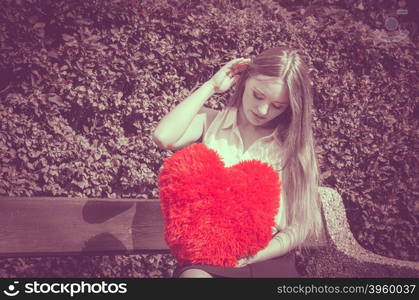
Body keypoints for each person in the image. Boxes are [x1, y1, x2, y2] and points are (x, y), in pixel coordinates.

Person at [153, 46, 325, 278]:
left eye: (278, 106)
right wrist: (211, 86)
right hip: (210, 255)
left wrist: (257, 255)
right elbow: (163, 136)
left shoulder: (293, 147)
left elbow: (299, 224)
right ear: (244, 81)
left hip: (270, 256)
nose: (263, 110)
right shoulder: (210, 122)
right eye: (258, 95)